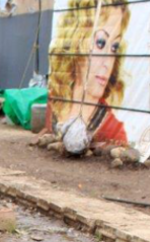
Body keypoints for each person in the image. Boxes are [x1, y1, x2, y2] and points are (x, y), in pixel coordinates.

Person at [47, 0, 130, 145]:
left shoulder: (114, 130)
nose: (107, 63)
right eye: (100, 43)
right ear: (77, 41)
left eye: (114, 48)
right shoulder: (55, 98)